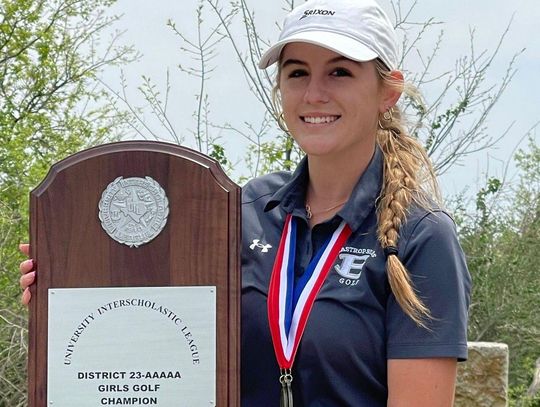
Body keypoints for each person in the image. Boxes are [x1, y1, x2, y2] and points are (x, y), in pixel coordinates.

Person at [20, 0, 471, 405]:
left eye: (340, 71)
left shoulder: (421, 234)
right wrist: (67, 286)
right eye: (297, 73)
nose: (314, 93)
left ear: (388, 91)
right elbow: (155, 334)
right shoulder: (241, 211)